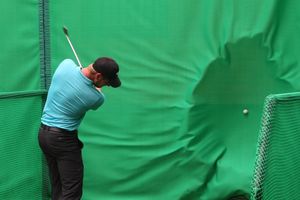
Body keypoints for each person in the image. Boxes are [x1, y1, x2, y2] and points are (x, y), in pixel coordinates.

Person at [38, 57, 121, 200]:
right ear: (99, 76)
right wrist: (95, 87)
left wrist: (84, 75)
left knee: (57, 184)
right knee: (72, 191)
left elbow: (75, 68)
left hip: (44, 135)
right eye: (106, 82)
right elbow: (96, 92)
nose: (106, 85)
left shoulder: (65, 65)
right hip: (62, 140)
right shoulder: (96, 98)